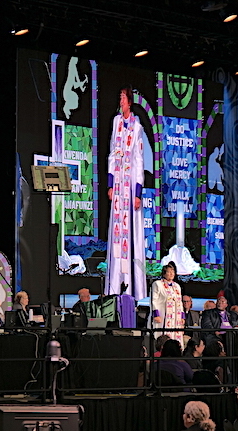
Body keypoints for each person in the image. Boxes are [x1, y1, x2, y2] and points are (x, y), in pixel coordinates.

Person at [105, 85, 146, 302]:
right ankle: (113, 286)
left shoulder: (136, 126)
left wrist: (137, 191)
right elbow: (113, 152)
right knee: (117, 234)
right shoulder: (116, 122)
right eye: (119, 97)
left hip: (130, 185)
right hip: (119, 185)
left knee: (130, 233)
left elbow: (139, 159)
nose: (120, 100)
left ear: (129, 101)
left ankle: (131, 287)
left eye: (122, 97)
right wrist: (111, 183)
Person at [152, 265, 184, 343]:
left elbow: (180, 302)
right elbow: (154, 300)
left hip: (175, 316)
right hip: (163, 315)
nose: (171, 274)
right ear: (164, 273)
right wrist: (156, 314)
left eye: (173, 272)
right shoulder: (157, 284)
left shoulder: (176, 286)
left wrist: (182, 316)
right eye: (169, 272)